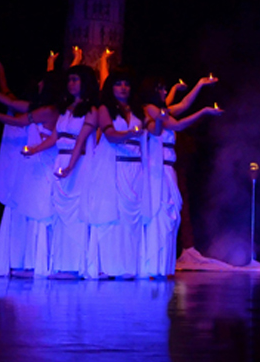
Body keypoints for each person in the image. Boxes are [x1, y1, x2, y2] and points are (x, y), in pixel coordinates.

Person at [0, 67, 63, 277]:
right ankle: (24, 261)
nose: (39, 85)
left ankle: (36, 262)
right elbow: (10, 102)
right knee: (25, 210)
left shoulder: (49, 110)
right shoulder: (37, 108)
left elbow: (17, 121)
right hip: (32, 169)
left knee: (38, 210)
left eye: (43, 82)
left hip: (43, 167)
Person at [140, 76, 223, 277]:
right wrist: (203, 112)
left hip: (168, 169)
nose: (164, 92)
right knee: (161, 215)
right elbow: (177, 125)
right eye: (161, 89)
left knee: (170, 215)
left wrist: (199, 85)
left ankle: (162, 265)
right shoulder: (150, 109)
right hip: (158, 170)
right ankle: (153, 264)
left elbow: (184, 104)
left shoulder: (161, 111)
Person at [40, 64, 100, 279]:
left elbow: (81, 141)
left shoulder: (91, 111)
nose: (71, 84)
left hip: (78, 163)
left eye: (76, 79)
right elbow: (55, 137)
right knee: (60, 213)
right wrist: (35, 149)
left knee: (75, 213)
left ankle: (75, 266)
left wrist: (70, 166)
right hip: (61, 159)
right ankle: (60, 264)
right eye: (70, 80)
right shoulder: (65, 109)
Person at [91, 69, 146, 279]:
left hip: (135, 167)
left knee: (131, 218)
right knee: (113, 216)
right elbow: (110, 135)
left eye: (126, 84)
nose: (123, 88)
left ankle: (130, 266)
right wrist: (130, 133)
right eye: (118, 83)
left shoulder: (139, 110)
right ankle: (109, 266)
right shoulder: (105, 109)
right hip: (114, 166)